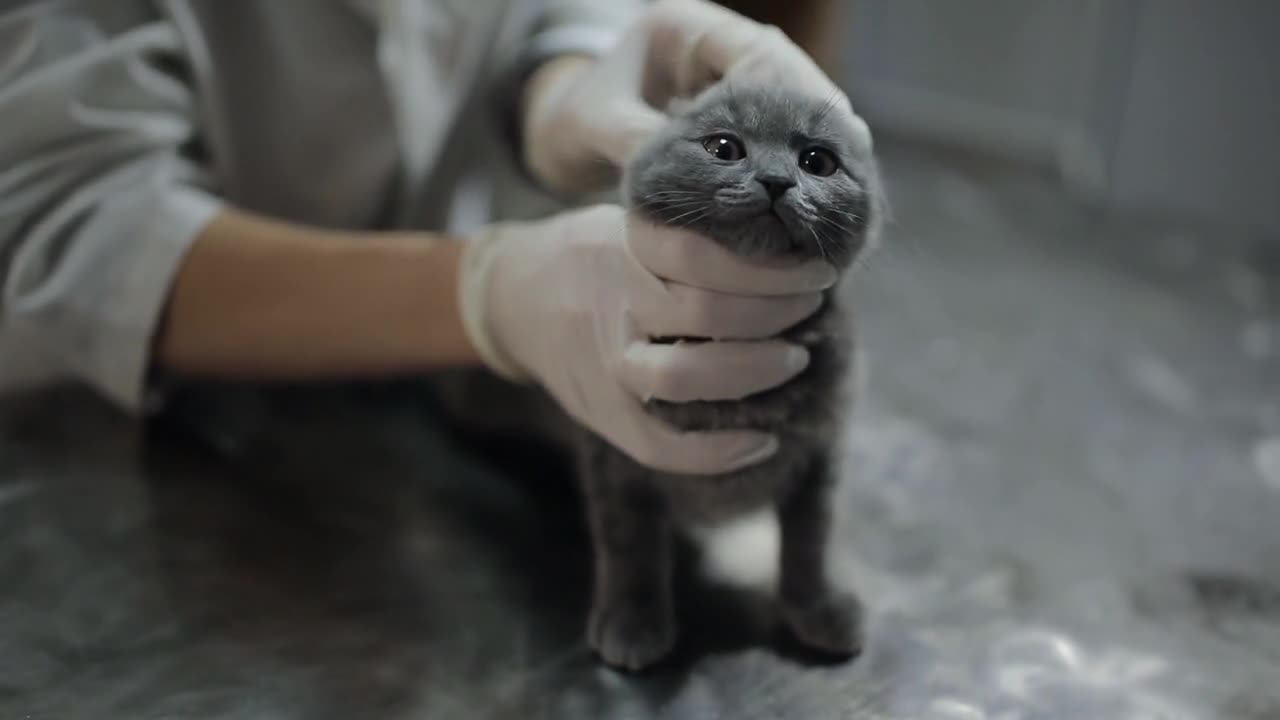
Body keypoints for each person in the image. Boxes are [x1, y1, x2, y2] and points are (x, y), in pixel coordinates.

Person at [0, 0, 869, 475]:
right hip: (90, 460)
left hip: (393, 450)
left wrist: (566, 84)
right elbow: (78, 226)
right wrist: (483, 291)